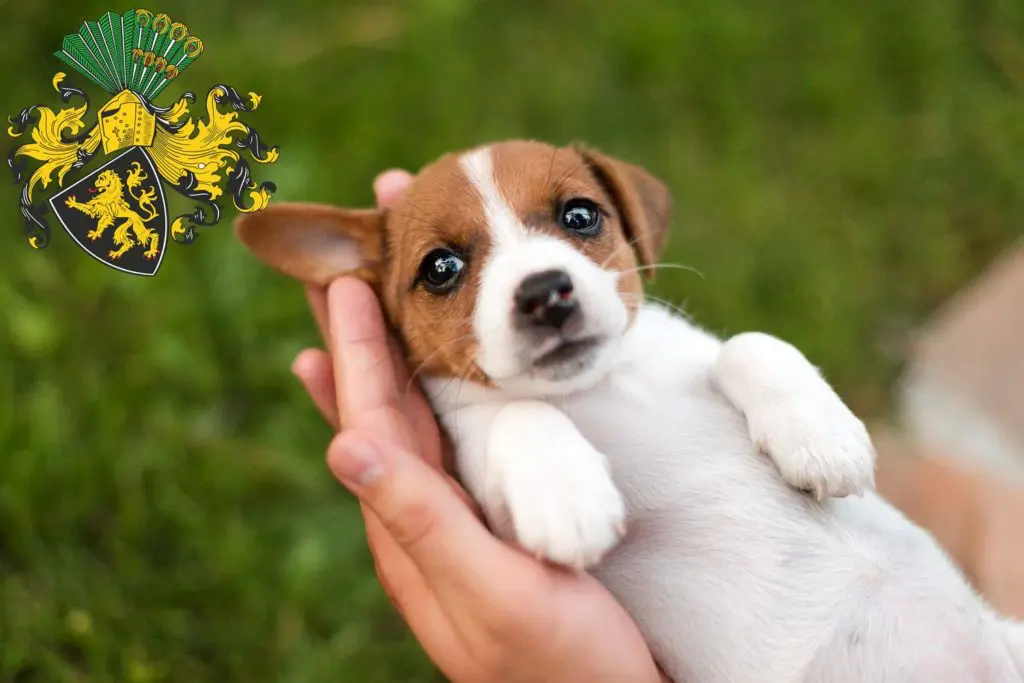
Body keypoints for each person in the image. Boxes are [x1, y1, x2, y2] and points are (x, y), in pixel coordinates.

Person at [290, 169, 672, 683]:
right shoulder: (501, 437)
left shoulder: (678, 356)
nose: (538, 286)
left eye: (576, 219)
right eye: (444, 268)